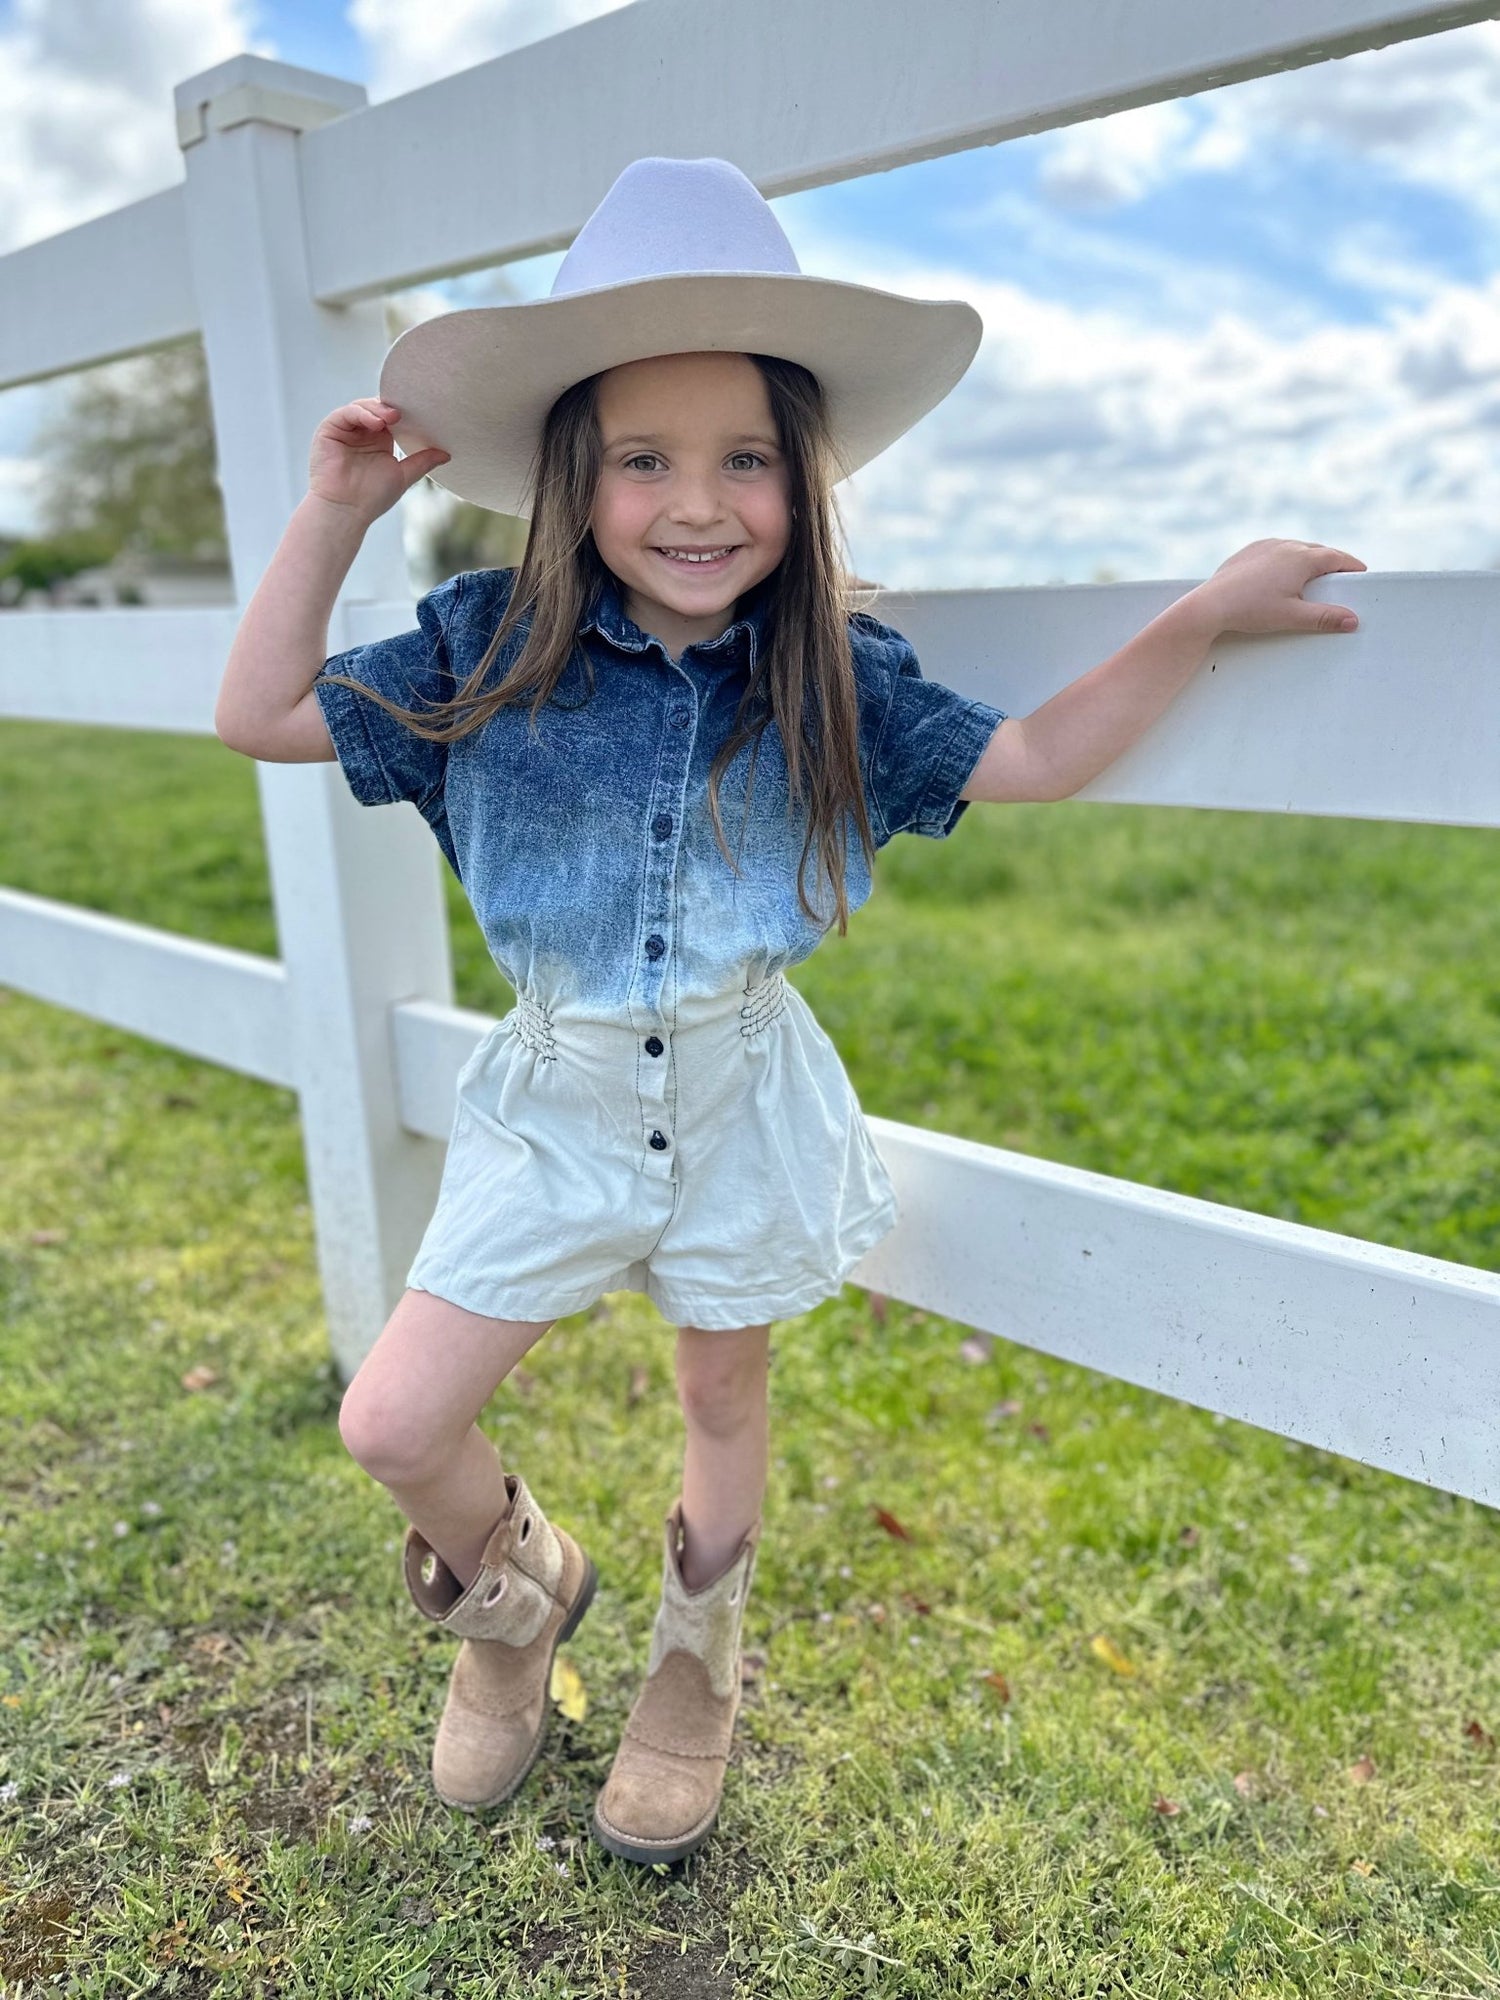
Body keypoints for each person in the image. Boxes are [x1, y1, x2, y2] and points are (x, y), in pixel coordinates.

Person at [214, 155, 1365, 1867]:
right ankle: (519, 1600)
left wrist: (1196, 617)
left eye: (747, 458)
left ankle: (700, 1660)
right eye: (647, 462)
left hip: (746, 1088)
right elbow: (257, 716)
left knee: (725, 1392)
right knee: (393, 1417)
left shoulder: (832, 665)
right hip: (557, 1093)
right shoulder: (486, 643)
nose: (701, 504)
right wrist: (336, 516)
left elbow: (1034, 760)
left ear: (801, 478)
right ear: (573, 482)